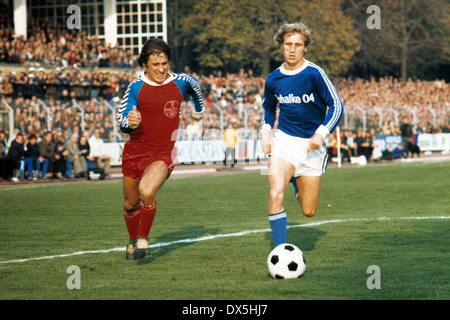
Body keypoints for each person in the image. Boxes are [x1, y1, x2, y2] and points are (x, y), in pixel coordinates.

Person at [117, 38, 204, 260]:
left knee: (146, 191)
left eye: (164, 63)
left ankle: (143, 239)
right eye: (155, 64)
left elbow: (195, 86)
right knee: (130, 204)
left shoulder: (180, 81)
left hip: (164, 152)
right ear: (145, 64)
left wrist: (198, 112)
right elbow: (122, 122)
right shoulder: (135, 86)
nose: (161, 68)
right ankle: (132, 240)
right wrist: (130, 121)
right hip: (135, 150)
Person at [261, 23, 344, 247]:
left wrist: (321, 133)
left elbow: (336, 105)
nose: (292, 49)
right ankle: (279, 250)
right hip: (284, 143)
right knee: (275, 194)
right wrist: (266, 131)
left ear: (305, 48)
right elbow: (269, 108)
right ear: (280, 46)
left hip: (311, 147)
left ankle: (297, 181)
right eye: (288, 44)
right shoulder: (273, 79)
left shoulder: (314, 73)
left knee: (308, 211)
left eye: (298, 45)